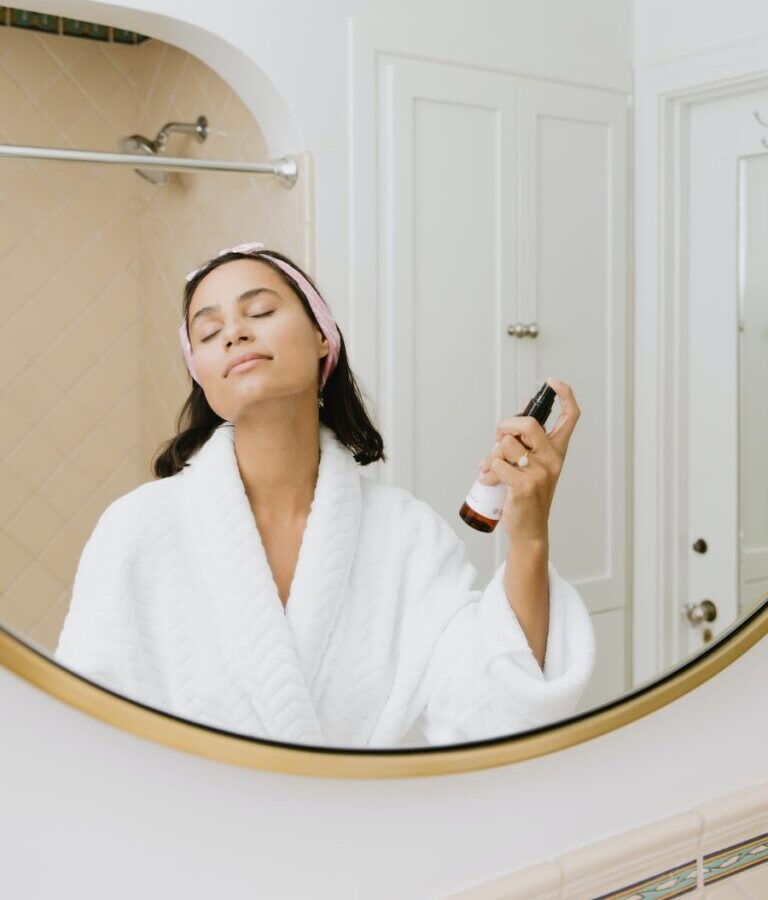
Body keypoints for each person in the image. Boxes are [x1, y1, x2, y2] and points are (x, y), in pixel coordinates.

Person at [54, 242, 595, 748]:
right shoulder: (136, 530)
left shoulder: (407, 537)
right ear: (201, 374)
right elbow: (84, 739)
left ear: (322, 338)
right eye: (209, 329)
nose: (235, 333)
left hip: (355, 840)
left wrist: (528, 535)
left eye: (260, 311)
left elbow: (492, 714)